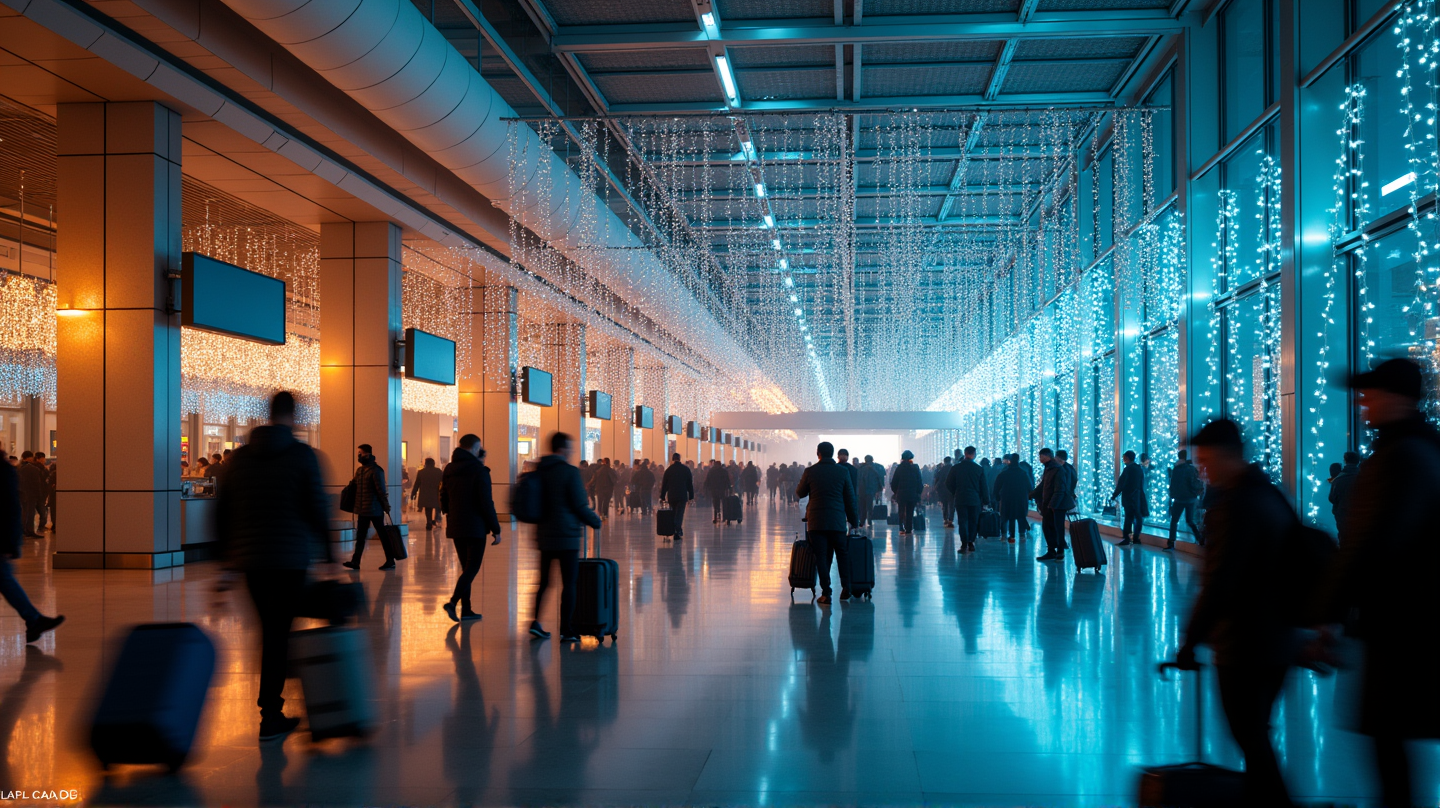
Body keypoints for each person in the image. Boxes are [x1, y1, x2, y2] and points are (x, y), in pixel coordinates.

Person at [1318, 358, 1440, 808]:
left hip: (1401, 626)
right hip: (1409, 622)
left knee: (1389, 741)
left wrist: (1328, 614)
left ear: (1398, 399)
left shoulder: (1401, 457)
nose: (1363, 404)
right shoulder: (1421, 449)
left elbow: (1371, 545)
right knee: (1393, 743)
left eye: (1371, 395)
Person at [1175, 418, 1296, 807]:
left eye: (1206, 460)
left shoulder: (1235, 507)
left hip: (1245, 641)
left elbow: (1220, 582)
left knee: (1249, 734)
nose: (1202, 469)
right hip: (1275, 637)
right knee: (1255, 732)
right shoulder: (1271, 495)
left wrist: (1190, 641)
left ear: (1228, 457)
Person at [213, 391, 327, 742]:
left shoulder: (240, 458)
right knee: (280, 632)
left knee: (271, 631)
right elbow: (316, 508)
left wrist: (226, 566)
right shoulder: (302, 455)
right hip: (291, 559)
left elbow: (223, 511)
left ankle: (273, 706)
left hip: (251, 561)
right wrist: (332, 557)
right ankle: (272, 712)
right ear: (294, 416)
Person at [529, 432, 601, 642]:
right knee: (569, 583)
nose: (571, 451)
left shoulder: (540, 470)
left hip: (544, 535)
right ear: (562, 449)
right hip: (567, 536)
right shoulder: (569, 472)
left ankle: (536, 622)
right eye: (569, 447)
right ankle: (566, 629)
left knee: (543, 582)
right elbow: (579, 505)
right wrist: (594, 521)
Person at [440, 434, 501, 623]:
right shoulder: (479, 470)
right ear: (476, 448)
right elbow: (486, 502)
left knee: (465, 568)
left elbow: (443, 495)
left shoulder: (449, 468)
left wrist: (450, 513)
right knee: (472, 567)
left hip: (456, 524)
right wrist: (495, 528)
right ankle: (453, 603)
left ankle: (466, 610)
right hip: (475, 526)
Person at [794, 441, 858, 604]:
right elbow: (850, 498)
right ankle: (846, 588)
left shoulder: (810, 471)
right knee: (842, 554)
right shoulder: (843, 472)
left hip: (817, 521)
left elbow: (800, 492)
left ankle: (826, 593)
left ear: (818, 453)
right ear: (833, 454)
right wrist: (853, 521)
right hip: (837, 520)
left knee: (821, 556)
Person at [342, 443, 396, 571]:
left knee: (382, 535)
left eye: (360, 453)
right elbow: (354, 486)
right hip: (362, 509)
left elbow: (381, 491)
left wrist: (386, 506)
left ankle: (390, 560)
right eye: (358, 454)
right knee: (360, 536)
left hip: (374, 509)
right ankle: (355, 561)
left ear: (368, 454)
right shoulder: (360, 471)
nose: (359, 456)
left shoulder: (376, 470)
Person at [947, 447, 988, 552]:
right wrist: (986, 501)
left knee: (962, 521)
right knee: (973, 521)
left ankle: (964, 544)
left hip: (960, 498)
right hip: (974, 499)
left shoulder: (956, 468)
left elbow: (948, 483)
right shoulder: (978, 468)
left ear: (964, 453)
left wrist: (955, 492)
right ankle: (971, 542)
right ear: (974, 454)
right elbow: (984, 486)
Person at [1032, 448, 1070, 561]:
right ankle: (1052, 551)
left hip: (1056, 506)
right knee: (1048, 528)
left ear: (1048, 456)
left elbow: (1060, 489)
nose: (1040, 459)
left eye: (1041, 456)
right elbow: (1044, 485)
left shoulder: (1057, 469)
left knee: (1057, 528)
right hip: (1049, 505)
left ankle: (1059, 552)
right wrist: (1031, 494)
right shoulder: (1049, 468)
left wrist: (1053, 505)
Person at [1167, 449, 1205, 549]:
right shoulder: (1190, 469)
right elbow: (1194, 483)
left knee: (1174, 520)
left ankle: (1171, 542)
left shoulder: (1176, 469)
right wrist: (1199, 489)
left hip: (1179, 499)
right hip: (1190, 499)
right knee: (1190, 520)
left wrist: (1172, 494)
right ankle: (1198, 537)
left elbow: (1172, 484)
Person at [1109, 450, 1148, 546]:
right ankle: (1136, 538)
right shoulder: (1139, 469)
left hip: (1129, 497)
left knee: (1128, 518)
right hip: (1138, 497)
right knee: (1138, 517)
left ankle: (1127, 538)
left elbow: (1121, 484)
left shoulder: (1128, 470)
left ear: (1128, 458)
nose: (1123, 460)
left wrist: (1114, 495)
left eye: (1124, 458)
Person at [993, 454, 1032, 542]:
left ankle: (1005, 535)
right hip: (1021, 499)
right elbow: (1030, 486)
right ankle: (1022, 535)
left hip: (1007, 498)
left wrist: (997, 496)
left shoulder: (1004, 473)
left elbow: (997, 486)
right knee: (1021, 516)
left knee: (1005, 517)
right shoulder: (1023, 473)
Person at [659, 452, 694, 540]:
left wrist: (662, 496)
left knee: (673, 513)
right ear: (680, 459)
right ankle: (677, 530)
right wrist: (691, 496)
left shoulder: (669, 470)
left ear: (672, 459)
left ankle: (675, 529)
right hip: (682, 495)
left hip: (672, 495)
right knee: (680, 513)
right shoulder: (686, 469)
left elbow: (665, 485)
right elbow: (689, 484)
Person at [1327, 451, 1359, 540]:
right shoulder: (1363, 477)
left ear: (1345, 461)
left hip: (1342, 514)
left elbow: (1332, 498)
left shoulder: (1338, 479)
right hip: (1360, 514)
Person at [890, 450, 923, 535]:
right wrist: (919, 492)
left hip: (901, 494)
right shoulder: (915, 468)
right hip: (912, 493)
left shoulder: (899, 468)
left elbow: (894, 482)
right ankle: (909, 528)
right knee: (910, 511)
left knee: (901, 510)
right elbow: (919, 481)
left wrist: (896, 491)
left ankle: (901, 526)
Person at [16, 452, 42, 538]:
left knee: (23, 512)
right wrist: (39, 494)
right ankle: (30, 530)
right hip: (31, 494)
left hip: (20, 493)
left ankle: (22, 530)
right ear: (30, 458)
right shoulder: (34, 469)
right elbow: (37, 483)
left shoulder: (17, 468)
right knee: (30, 513)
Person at [411, 457, 443, 529]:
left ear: (425, 464)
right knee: (438, 507)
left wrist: (413, 493)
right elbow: (443, 483)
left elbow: (417, 484)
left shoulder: (421, 472)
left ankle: (429, 522)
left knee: (428, 509)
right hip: (436, 494)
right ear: (433, 463)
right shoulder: (439, 472)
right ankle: (436, 520)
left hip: (425, 494)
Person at [934, 456, 954, 528]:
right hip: (952, 490)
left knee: (945, 505)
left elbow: (937, 479)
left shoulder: (941, 469)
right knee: (952, 505)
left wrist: (936, 488)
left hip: (943, 490)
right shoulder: (953, 468)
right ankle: (951, 519)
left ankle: (945, 518)